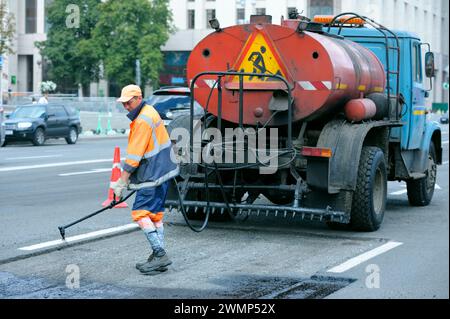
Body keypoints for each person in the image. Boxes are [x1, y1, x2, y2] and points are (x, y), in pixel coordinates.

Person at [112, 84, 179, 275]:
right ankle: (157, 257)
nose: (126, 106)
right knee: (155, 214)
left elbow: (134, 155)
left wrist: (121, 181)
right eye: (123, 103)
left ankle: (159, 254)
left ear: (138, 98)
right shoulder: (151, 111)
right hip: (164, 170)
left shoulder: (142, 120)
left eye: (128, 102)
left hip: (153, 174)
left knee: (140, 213)